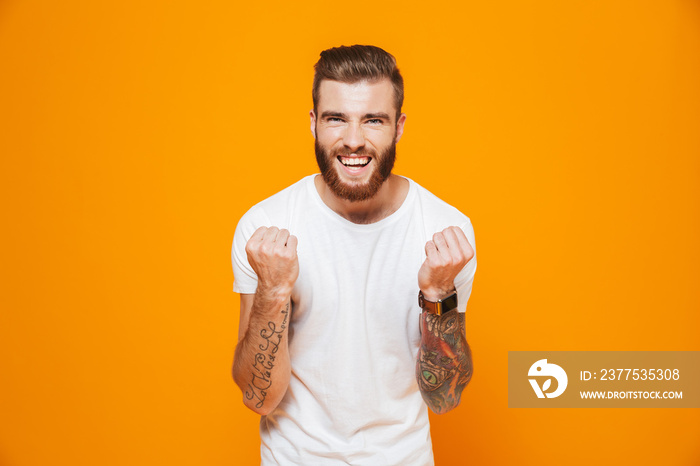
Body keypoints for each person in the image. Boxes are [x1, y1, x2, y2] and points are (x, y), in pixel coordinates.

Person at [231, 44, 477, 465]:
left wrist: (439, 294)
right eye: (335, 119)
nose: (353, 141)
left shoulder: (444, 232)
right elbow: (259, 397)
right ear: (313, 124)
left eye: (373, 120)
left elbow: (443, 398)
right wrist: (273, 291)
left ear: (398, 127)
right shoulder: (266, 226)